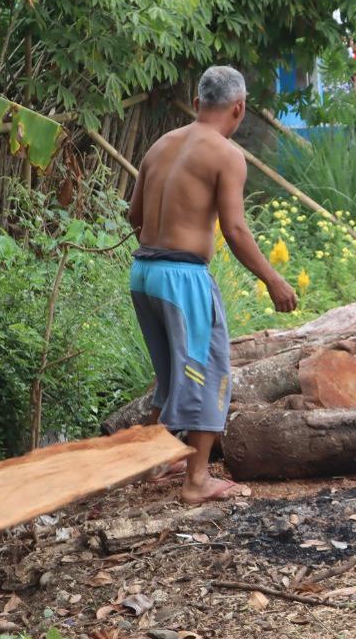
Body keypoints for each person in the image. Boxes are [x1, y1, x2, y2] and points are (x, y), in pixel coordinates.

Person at [128, 66, 298, 503]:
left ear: (198, 102)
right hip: (183, 278)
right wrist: (274, 279)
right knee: (209, 373)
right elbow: (236, 230)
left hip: (144, 274)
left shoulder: (160, 145)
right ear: (239, 108)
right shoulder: (225, 154)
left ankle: (154, 463)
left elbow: (134, 217)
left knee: (168, 373)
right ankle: (196, 480)